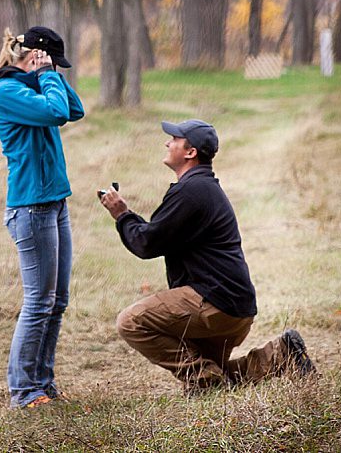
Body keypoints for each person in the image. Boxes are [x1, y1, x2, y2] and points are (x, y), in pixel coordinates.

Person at [98, 119, 316, 394]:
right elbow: (156, 235)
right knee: (216, 372)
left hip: (215, 304)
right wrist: (128, 216)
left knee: (131, 322)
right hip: (235, 308)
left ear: (190, 152)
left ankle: (206, 380)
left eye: (174, 139)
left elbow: (145, 243)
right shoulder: (202, 189)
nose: (168, 143)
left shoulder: (192, 191)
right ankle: (281, 354)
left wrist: (121, 214)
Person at [0, 26, 85, 408]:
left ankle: (43, 383)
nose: (54, 70)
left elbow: (75, 109)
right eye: (50, 62)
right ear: (33, 58)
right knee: (39, 301)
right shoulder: (8, 91)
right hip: (31, 206)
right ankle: (24, 390)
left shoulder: (34, 85)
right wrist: (45, 76)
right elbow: (57, 112)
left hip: (54, 202)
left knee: (57, 300)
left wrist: (50, 75)